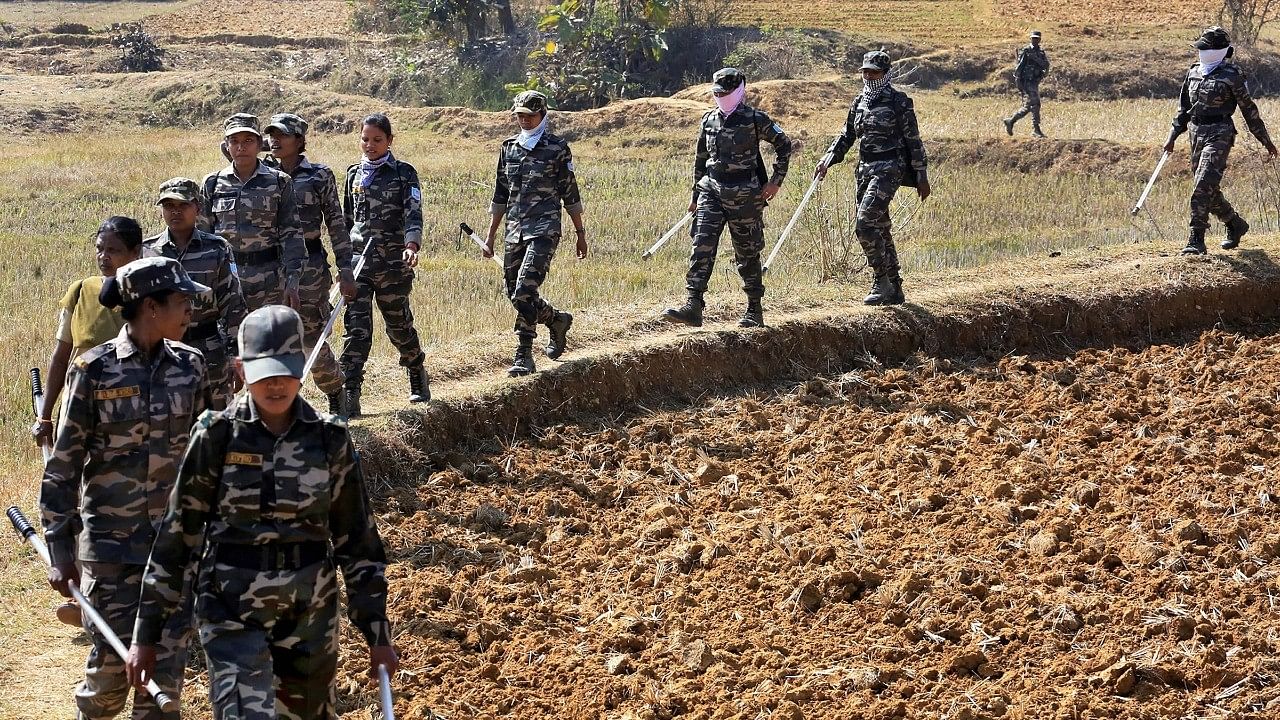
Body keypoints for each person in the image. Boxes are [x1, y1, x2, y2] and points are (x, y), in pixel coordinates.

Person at [126, 305, 398, 719]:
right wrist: (146, 635)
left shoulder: (329, 440)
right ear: (240, 369)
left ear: (302, 366)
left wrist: (377, 632)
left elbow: (358, 542)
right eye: (264, 372)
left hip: (310, 615)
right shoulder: (216, 435)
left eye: (286, 370)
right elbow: (176, 539)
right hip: (231, 610)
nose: (275, 384)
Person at [39, 256, 211, 720]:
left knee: (164, 684)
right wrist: (60, 549)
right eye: (181, 301)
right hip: (112, 551)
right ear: (151, 307)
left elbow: (208, 459)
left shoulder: (192, 367)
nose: (190, 309)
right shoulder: (94, 371)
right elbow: (63, 466)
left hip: (174, 549)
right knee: (111, 677)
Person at [663, 68, 791, 329]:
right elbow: (701, 160)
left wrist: (775, 182)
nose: (720, 96)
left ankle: (754, 308)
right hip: (711, 190)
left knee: (747, 252)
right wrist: (695, 196)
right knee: (702, 246)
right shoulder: (708, 120)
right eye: (717, 92)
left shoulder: (755, 119)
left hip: (745, 194)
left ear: (739, 91)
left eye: (725, 92)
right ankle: (693, 305)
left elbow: (784, 145)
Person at [815, 51, 931, 306]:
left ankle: (881, 281)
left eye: (874, 72)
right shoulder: (859, 102)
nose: (869, 76)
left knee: (865, 224)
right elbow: (846, 136)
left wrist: (921, 174)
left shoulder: (899, 101)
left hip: (890, 167)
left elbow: (913, 139)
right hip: (865, 168)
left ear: (885, 74)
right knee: (880, 226)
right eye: (866, 72)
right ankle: (895, 286)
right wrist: (827, 159)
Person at [484, 90, 587, 376]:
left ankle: (524, 354)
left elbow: (571, 192)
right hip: (514, 230)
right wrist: (491, 236)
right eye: (520, 116)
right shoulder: (508, 149)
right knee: (515, 295)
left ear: (543, 115)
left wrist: (580, 233)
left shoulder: (556, 148)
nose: (525, 121)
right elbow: (500, 195)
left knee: (525, 289)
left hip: (544, 228)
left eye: (530, 116)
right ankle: (556, 320)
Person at [264, 112, 356, 415]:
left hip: (310, 268)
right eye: (272, 135)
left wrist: (346, 268)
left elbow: (336, 224)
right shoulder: (262, 174)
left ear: (300, 140)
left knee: (310, 337)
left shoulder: (319, 175)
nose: (275, 140)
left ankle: (334, 390)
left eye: (283, 135)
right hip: (270, 266)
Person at [340, 113, 430, 415]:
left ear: (389, 141)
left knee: (399, 326)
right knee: (356, 329)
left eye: (377, 140)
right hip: (359, 265)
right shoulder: (353, 174)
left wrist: (411, 245)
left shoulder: (404, 173)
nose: (370, 145)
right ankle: (350, 392)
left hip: (393, 263)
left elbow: (413, 213)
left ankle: (416, 371)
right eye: (365, 139)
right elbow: (346, 221)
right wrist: (343, 262)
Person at [1164, 26, 1277, 255]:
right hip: (1196, 131)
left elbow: (1249, 111)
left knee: (1203, 184)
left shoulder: (1232, 75)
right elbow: (1184, 108)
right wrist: (1172, 137)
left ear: (1219, 50)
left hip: (1220, 132)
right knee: (1208, 188)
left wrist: (1265, 140)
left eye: (1206, 48)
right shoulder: (1194, 72)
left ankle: (1196, 238)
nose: (1201, 52)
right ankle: (1234, 223)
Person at [32, 217, 142, 450]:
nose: (104, 256)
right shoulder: (81, 290)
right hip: (79, 407)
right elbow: (62, 357)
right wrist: (45, 416)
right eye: (99, 249)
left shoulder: (149, 296)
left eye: (113, 250)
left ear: (135, 252)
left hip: (129, 412)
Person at [144, 178, 248, 410]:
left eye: (182, 205)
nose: (175, 212)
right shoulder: (147, 251)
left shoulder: (216, 248)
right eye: (169, 206)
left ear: (197, 208)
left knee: (217, 423)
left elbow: (232, 304)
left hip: (208, 350)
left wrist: (236, 356)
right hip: (162, 352)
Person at [199, 112, 305, 313]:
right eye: (234, 141)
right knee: (230, 341)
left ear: (258, 144)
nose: (241, 147)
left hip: (270, 282)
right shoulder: (212, 183)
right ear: (226, 146)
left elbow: (292, 235)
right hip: (226, 280)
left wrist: (292, 281)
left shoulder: (279, 182)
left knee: (270, 340)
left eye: (248, 140)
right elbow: (203, 236)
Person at [1003, 30, 1050, 138]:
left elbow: (1045, 65)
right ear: (1030, 39)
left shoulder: (1041, 52)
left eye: (1037, 38)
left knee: (1028, 106)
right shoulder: (1027, 51)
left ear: (1040, 39)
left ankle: (1010, 121)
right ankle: (1036, 129)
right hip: (1027, 81)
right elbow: (1019, 67)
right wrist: (1017, 80)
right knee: (1036, 104)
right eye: (1033, 38)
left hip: (1035, 81)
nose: (1035, 40)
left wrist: (1039, 63)